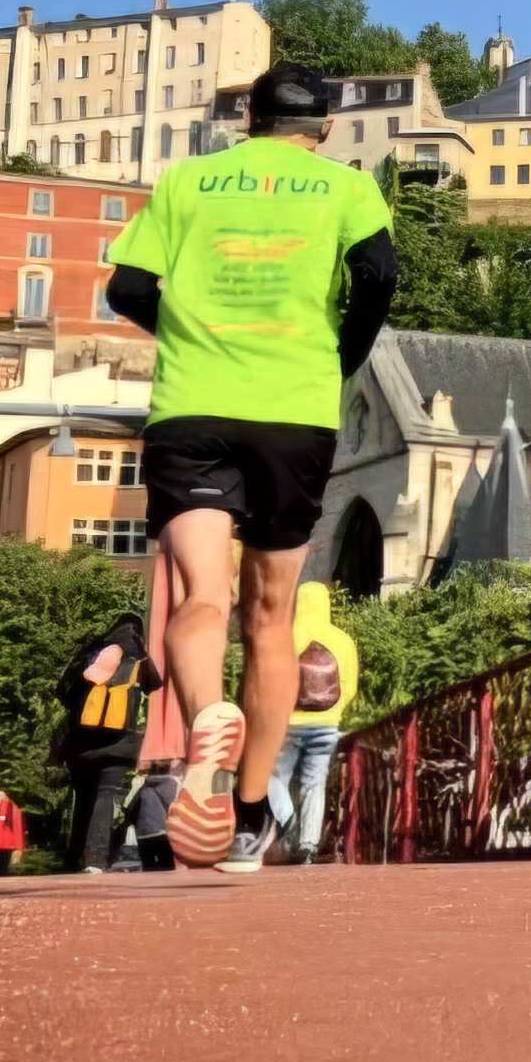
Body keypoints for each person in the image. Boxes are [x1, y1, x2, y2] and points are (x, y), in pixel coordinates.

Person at [104, 63, 395, 872]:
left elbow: (126, 287)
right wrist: (342, 354)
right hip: (295, 410)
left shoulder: (187, 180)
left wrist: (189, 331)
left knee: (202, 594)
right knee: (270, 619)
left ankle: (204, 721)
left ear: (249, 122)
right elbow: (379, 276)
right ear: (326, 127)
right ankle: (248, 812)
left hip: (192, 406)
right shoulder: (346, 188)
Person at [268, 580, 361, 864]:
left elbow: (270, 680)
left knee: (273, 777)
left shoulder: (285, 635)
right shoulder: (341, 639)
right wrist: (335, 712)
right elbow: (349, 685)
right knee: (314, 783)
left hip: (289, 723)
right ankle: (308, 842)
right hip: (326, 724)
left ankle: (288, 821)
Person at [55, 611, 152, 871]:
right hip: (119, 743)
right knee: (105, 795)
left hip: (81, 744)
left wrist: (83, 715)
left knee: (83, 798)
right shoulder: (139, 656)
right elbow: (157, 688)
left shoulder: (93, 650)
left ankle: (72, 859)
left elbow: (62, 689)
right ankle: (96, 860)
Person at [128, 761, 181, 872]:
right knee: (168, 867)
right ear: (169, 768)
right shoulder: (171, 783)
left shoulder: (143, 785)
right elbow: (171, 803)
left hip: (142, 832)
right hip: (159, 830)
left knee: (148, 868)